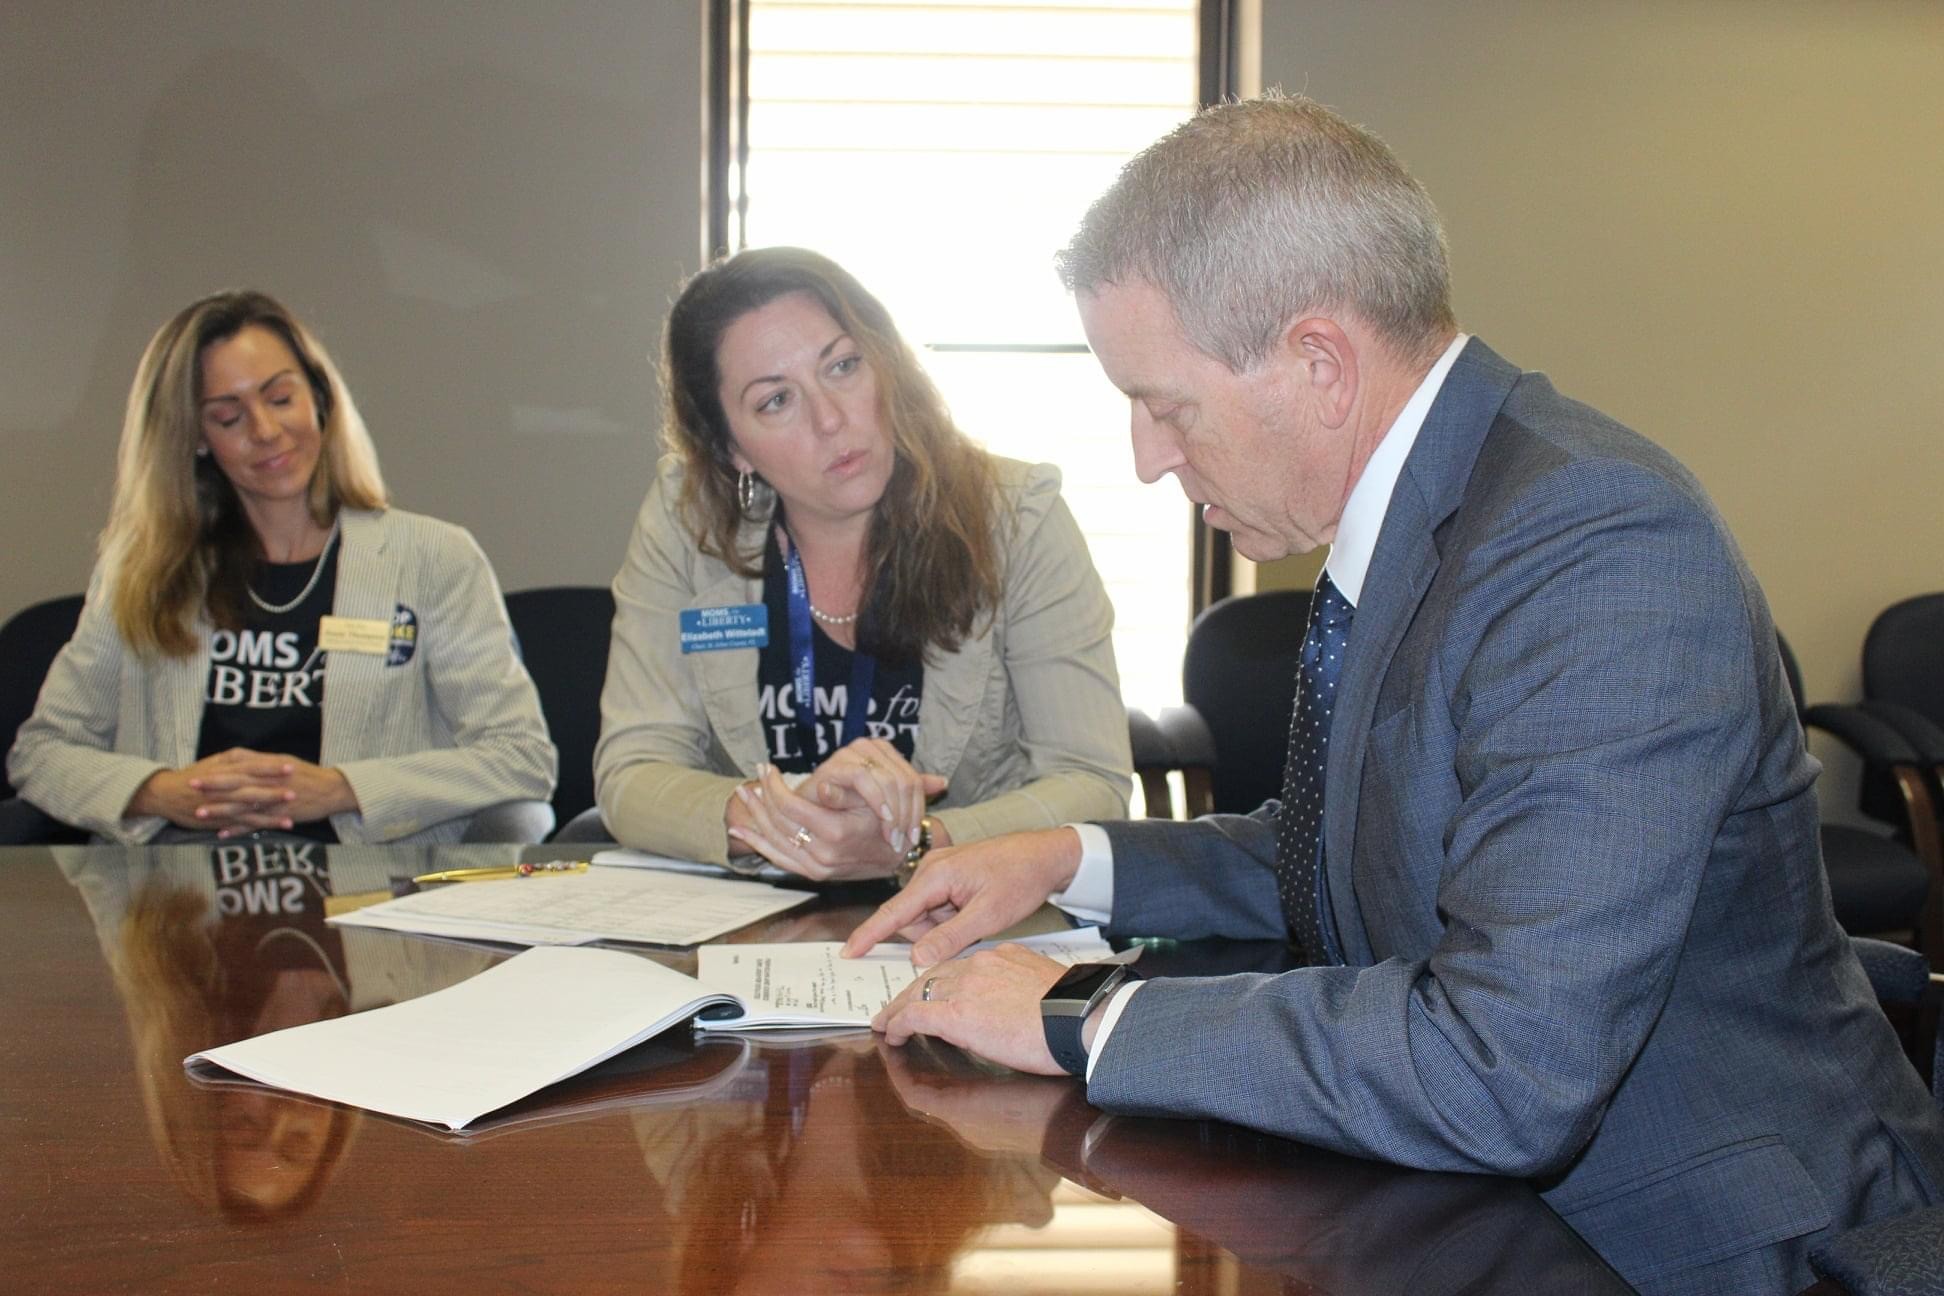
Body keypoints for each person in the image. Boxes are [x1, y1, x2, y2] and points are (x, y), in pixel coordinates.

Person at [849, 95, 1944, 1294]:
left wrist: (1082, 1017)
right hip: (1484, 1203)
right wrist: (1067, 859)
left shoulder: (1596, 545)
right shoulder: (1443, 507)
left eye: (1166, 406)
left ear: (1319, 364)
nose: (1147, 457)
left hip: (1711, 1243)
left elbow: (1506, 1066)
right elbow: (1363, 845)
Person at [593, 247, 1130, 879]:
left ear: (886, 363)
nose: (831, 419)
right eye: (776, 401)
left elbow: (1093, 783)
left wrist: (917, 842)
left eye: (843, 366)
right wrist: (788, 817)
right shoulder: (687, 524)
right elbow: (632, 771)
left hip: (972, 911)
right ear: (731, 447)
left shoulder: (1018, 519)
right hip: (754, 914)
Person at [8, 290, 556, 844]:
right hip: (177, 881)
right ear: (195, 438)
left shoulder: (434, 558)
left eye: (280, 398)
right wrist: (162, 792)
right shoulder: (143, 569)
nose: (266, 430)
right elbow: (42, 752)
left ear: (319, 397)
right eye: (229, 417)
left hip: (366, 881)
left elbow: (521, 756)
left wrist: (344, 788)